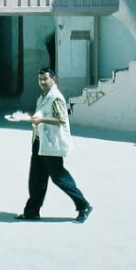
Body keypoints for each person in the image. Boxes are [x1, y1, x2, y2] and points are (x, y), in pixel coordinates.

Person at [16, 67, 93, 223]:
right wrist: (29, 117)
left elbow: (61, 119)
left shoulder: (56, 97)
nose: (42, 82)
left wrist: (41, 120)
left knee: (59, 177)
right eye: (40, 79)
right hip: (39, 143)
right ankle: (32, 212)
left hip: (51, 144)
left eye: (45, 79)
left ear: (53, 79)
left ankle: (83, 205)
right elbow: (41, 115)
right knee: (36, 179)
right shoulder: (43, 97)